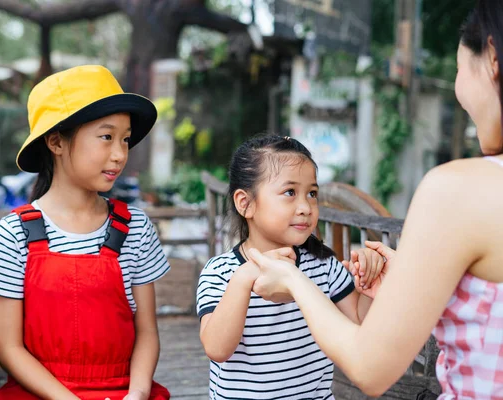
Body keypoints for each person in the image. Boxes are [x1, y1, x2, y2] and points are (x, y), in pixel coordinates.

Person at [246, 2, 503, 398]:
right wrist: (415, 278)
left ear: (492, 60)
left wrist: (294, 282)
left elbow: (369, 368)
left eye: (457, 69)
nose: (458, 90)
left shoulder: (459, 190)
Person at [0, 65, 171, 400]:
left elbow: (148, 331)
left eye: (125, 139)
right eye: (106, 137)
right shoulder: (14, 233)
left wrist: (136, 395)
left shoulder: (136, 227)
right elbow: (8, 347)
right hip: (40, 393)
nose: (120, 154)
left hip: (123, 391)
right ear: (56, 142)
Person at [196, 134, 385, 399]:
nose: (305, 207)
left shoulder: (324, 265)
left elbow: (359, 325)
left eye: (312, 193)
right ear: (245, 203)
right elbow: (217, 349)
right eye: (289, 192)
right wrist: (244, 277)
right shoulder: (220, 272)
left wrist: (367, 286)